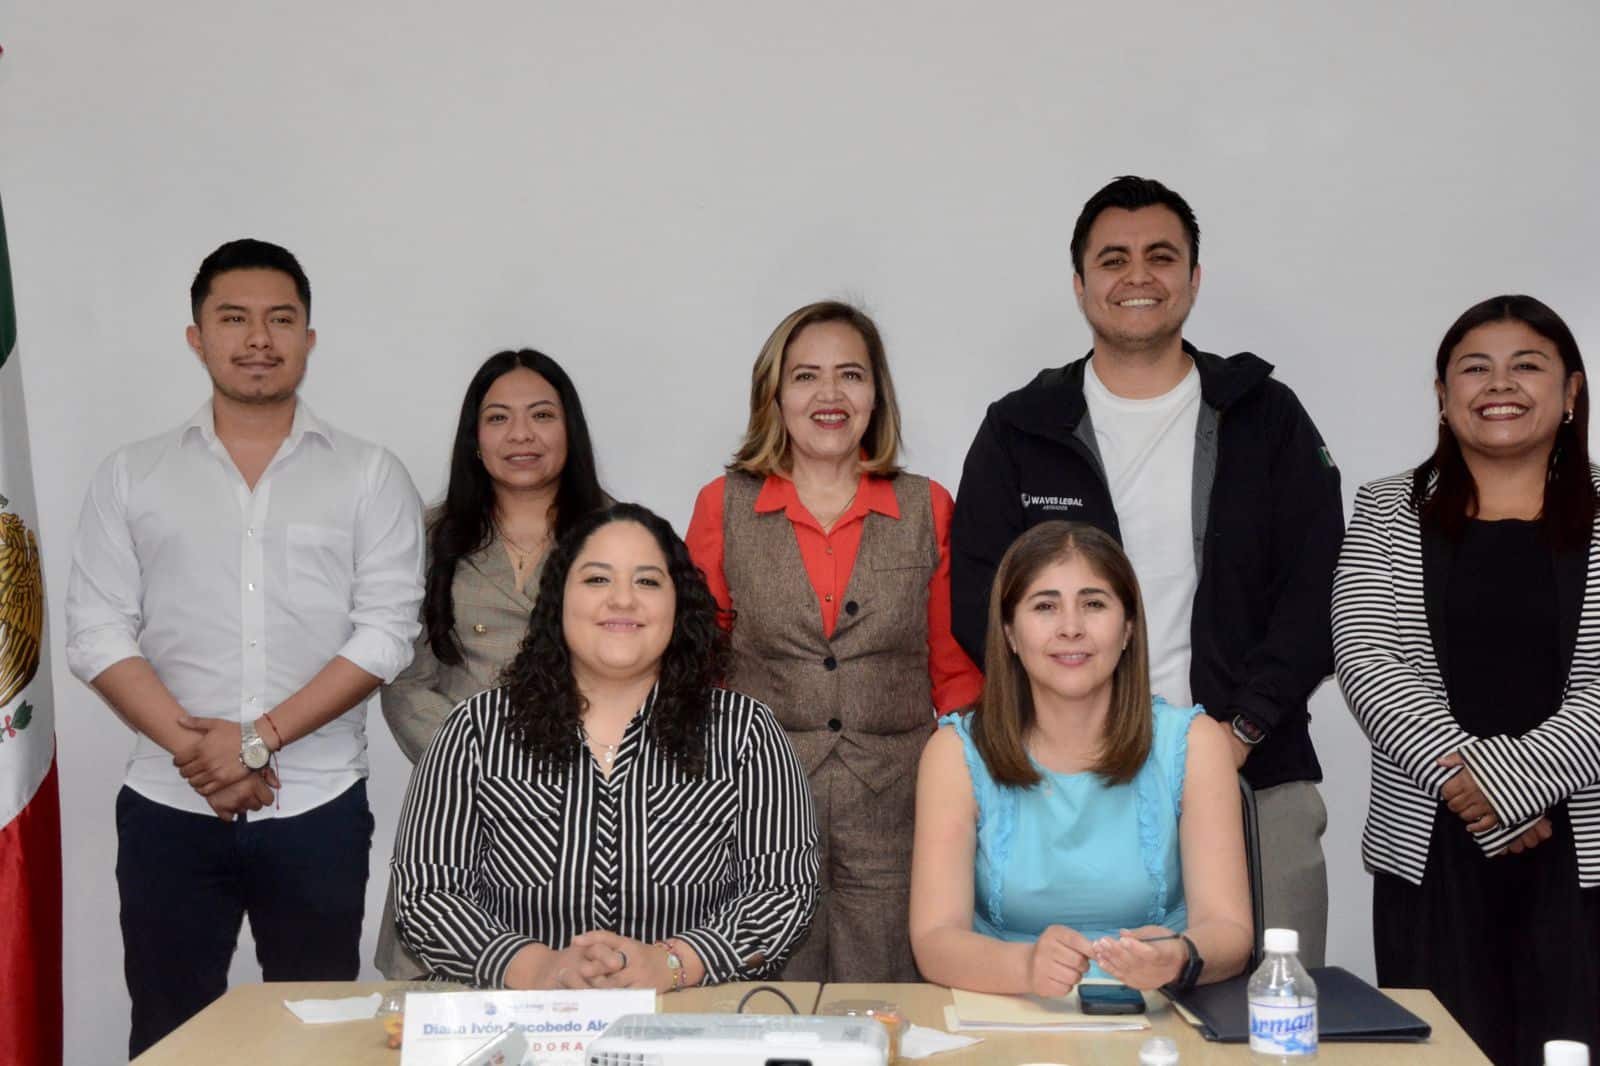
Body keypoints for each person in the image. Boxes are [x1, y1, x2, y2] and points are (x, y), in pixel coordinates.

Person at [950, 176, 1342, 965]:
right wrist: (1067, 743)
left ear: (1193, 278)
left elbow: (1318, 589)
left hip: (1252, 764)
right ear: (1079, 284)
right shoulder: (1020, 428)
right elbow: (980, 601)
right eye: (1113, 259)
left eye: (1161, 257)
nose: (1138, 276)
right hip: (1070, 780)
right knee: (1076, 994)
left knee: (1272, 1001)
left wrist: (1240, 731)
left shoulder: (1266, 416)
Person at [64, 239, 425, 1056]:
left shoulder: (369, 474)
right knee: (169, 1035)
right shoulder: (133, 474)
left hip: (318, 806)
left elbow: (385, 633)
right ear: (197, 337)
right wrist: (203, 755)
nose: (259, 338)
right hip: (167, 803)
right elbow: (96, 632)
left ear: (309, 337)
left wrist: (255, 740)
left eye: (280, 320)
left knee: (320, 1040)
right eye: (234, 319)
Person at [391, 503, 819, 990]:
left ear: (679, 605)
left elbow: (784, 892)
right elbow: (426, 894)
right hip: (519, 1018)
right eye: (597, 579)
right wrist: (536, 967)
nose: (622, 600)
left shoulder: (745, 732)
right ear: (558, 599)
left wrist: (671, 963)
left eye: (647, 582)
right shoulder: (476, 730)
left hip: (691, 1014)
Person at [1332, 295, 1600, 1064]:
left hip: (1584, 849)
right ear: (1443, 398)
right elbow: (1365, 657)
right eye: (1475, 368)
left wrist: (1508, 786)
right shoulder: (1387, 507)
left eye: (1527, 366)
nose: (1499, 384)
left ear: (1571, 392)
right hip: (1432, 844)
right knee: (1442, 1054)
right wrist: (1469, 786)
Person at [685, 300, 983, 982]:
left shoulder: (927, 506)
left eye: (850, 375)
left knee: (889, 1001)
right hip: (757, 810)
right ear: (775, 395)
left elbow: (954, 671)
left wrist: (971, 791)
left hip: (898, 809)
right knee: (768, 1006)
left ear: (876, 394)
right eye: (806, 376)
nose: (829, 395)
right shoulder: (722, 505)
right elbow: (699, 666)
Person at [911, 521, 1251, 995]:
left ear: (1128, 628)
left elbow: (1230, 930)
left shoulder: (1195, 743)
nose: (1071, 628)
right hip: (1003, 1008)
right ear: (1009, 633)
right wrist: (1025, 967)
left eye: (1093, 604)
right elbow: (934, 939)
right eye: (1045, 606)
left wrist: (1178, 957)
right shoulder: (954, 752)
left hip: (1159, 1011)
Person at [375, 348, 608, 978]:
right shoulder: (427, 538)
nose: (521, 434)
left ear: (570, 430)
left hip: (590, 814)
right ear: (474, 440)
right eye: (499, 418)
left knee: (580, 994)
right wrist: (485, 769)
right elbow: (404, 681)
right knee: (442, 1008)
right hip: (461, 811)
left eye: (542, 415)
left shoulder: (620, 537)